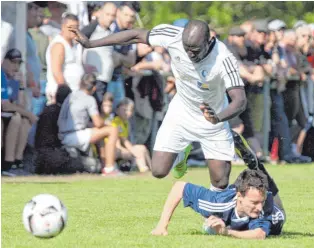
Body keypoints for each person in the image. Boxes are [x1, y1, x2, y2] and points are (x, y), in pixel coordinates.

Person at [69, 19, 247, 190]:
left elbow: (240, 100)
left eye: (195, 50)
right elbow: (136, 35)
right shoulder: (173, 35)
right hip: (181, 111)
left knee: (220, 182)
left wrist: (217, 118)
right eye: (187, 49)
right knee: (158, 171)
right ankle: (182, 151)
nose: (189, 54)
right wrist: (92, 43)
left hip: (212, 117)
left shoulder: (224, 58)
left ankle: (217, 214)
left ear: (209, 41)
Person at [151, 167, 285, 239]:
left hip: (276, 216)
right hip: (231, 200)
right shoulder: (217, 202)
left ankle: (257, 166)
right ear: (239, 196)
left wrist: (225, 232)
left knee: (275, 205)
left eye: (260, 202)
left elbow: (259, 234)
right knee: (211, 225)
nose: (259, 207)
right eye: (254, 202)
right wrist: (162, 226)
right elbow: (179, 187)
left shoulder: (264, 205)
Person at [57, 73, 119, 175]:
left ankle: (104, 166)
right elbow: (98, 123)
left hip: (63, 135)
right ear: (94, 88)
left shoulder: (71, 95)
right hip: (74, 136)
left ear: (80, 83)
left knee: (101, 136)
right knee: (112, 130)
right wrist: (106, 122)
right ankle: (110, 168)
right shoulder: (89, 99)